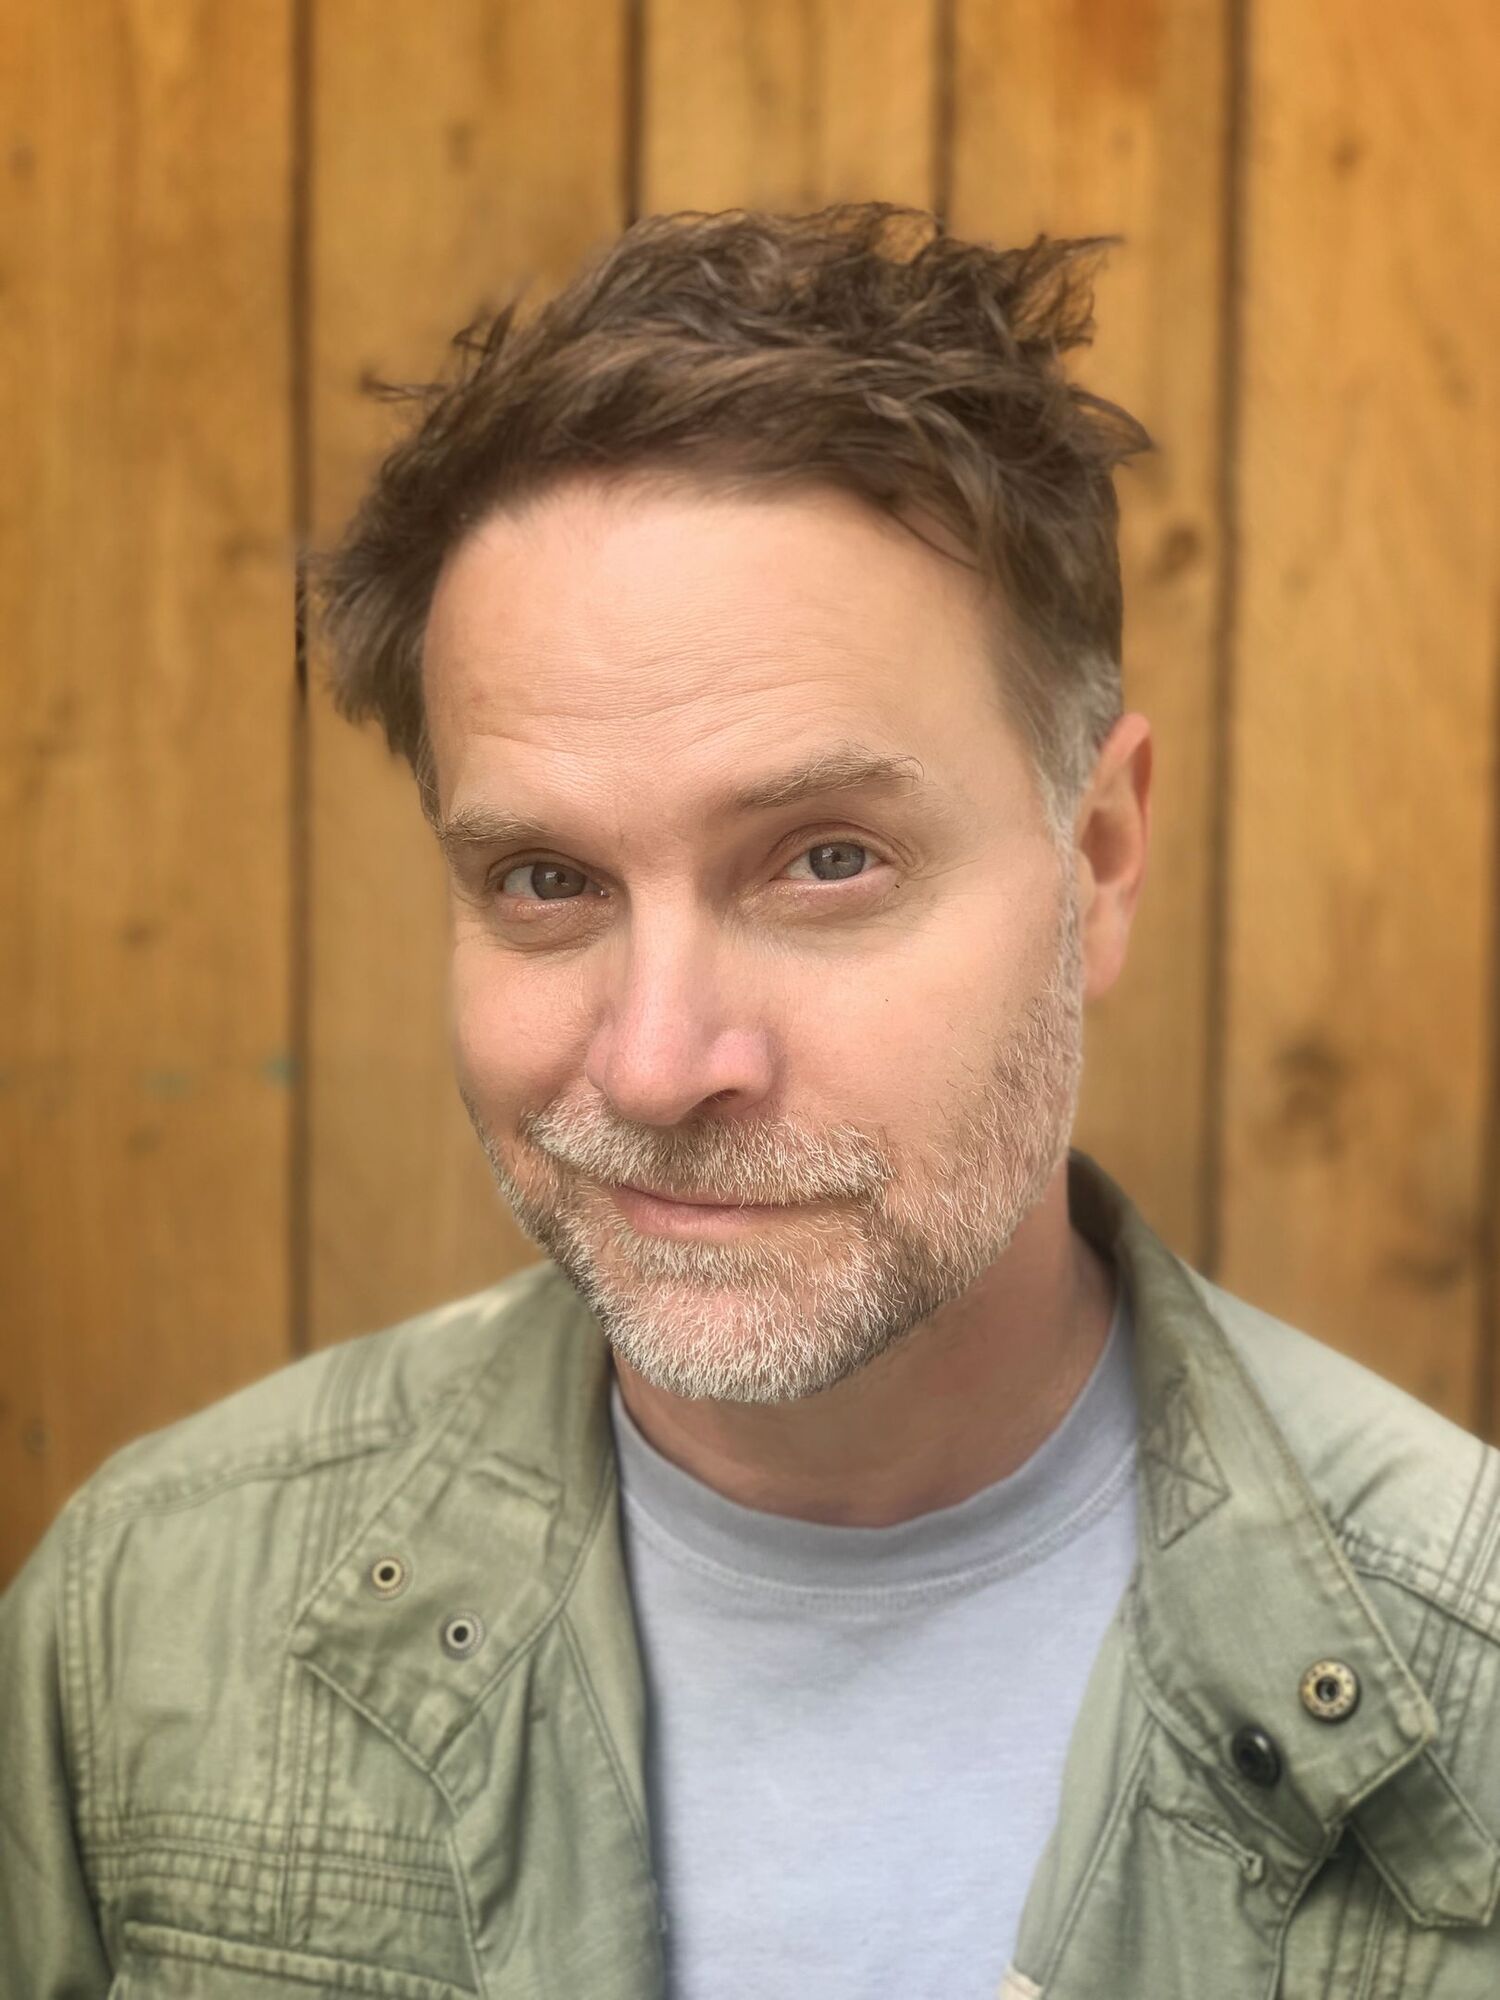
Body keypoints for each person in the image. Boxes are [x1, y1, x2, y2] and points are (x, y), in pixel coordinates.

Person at [3, 203, 1497, 2000]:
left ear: (1096, 857)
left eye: (826, 860)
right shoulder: (143, 1623)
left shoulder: (1470, 1676)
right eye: (546, 882)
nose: (656, 1062)